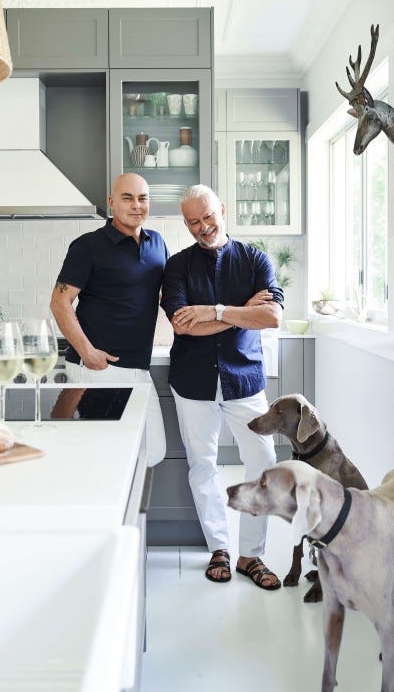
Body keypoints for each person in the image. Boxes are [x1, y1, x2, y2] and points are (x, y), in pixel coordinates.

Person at [161, 184, 284, 588]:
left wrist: (213, 311)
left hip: (244, 379)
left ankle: (252, 555)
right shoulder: (177, 266)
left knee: (264, 461)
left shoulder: (255, 259)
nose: (203, 227)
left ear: (222, 210)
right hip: (192, 382)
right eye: (193, 222)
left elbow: (272, 317)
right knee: (203, 466)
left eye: (208, 217)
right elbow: (183, 324)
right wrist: (244, 310)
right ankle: (220, 547)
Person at [50, 173, 169, 467]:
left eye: (143, 198)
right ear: (111, 202)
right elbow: (59, 301)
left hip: (137, 367)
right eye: (127, 198)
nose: (136, 205)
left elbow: (168, 295)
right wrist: (88, 353)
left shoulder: (157, 243)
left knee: (153, 451)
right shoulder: (88, 246)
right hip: (98, 368)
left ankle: (117, 511)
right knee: (102, 454)